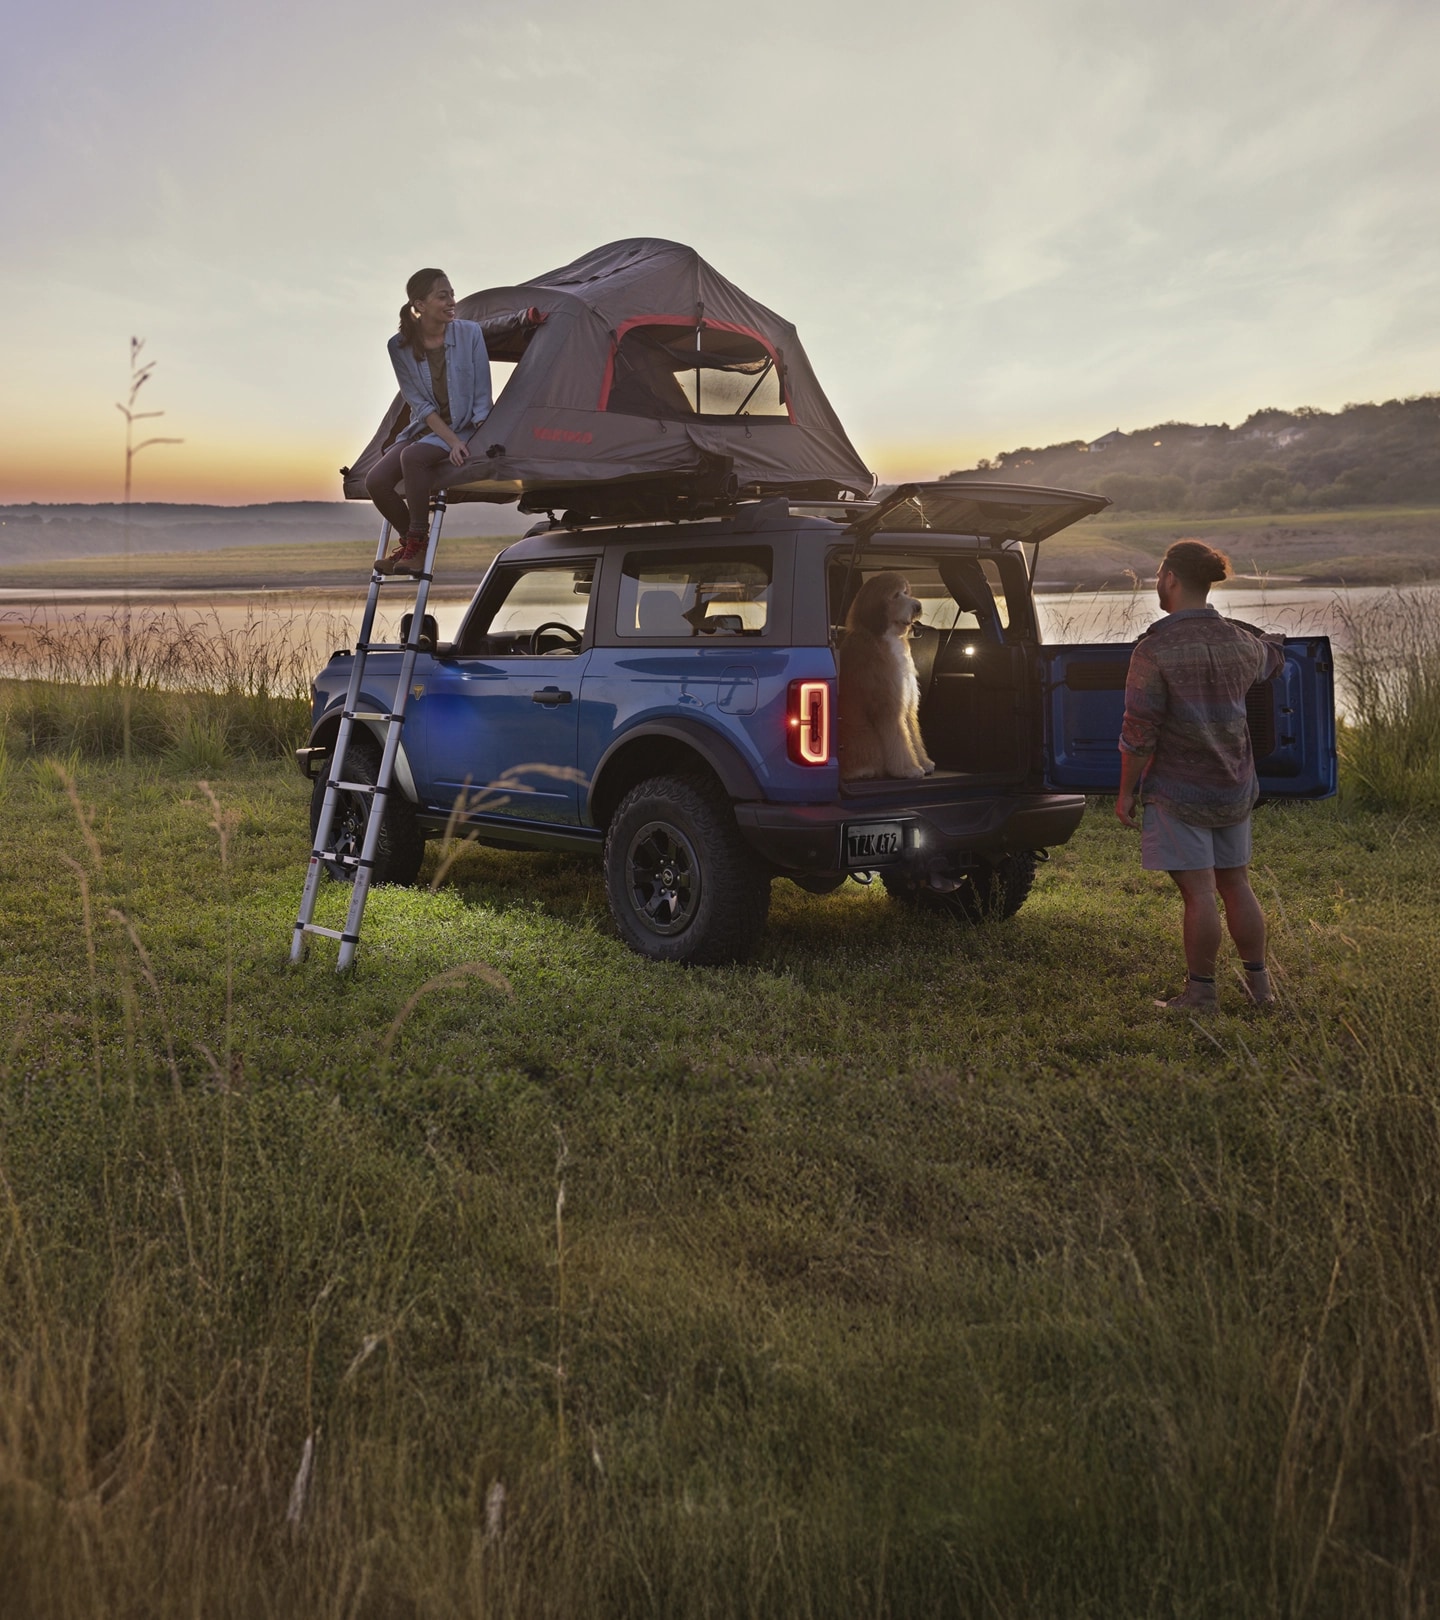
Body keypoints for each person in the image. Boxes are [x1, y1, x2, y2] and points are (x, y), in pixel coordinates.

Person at [1116, 540, 1285, 1013]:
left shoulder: (1154, 649)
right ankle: (1262, 991)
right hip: (1234, 786)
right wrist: (1267, 641)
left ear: (1170, 578)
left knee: (1198, 892)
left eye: (1158, 576)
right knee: (1237, 883)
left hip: (1178, 792)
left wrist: (1125, 793)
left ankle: (1201, 994)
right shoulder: (1239, 641)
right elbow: (1276, 661)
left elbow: (1139, 732)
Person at [365, 268, 493, 575]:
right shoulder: (399, 346)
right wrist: (449, 441)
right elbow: (419, 404)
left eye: (451, 293)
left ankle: (414, 545)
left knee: (413, 457)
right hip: (427, 426)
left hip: (464, 426)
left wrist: (475, 436)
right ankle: (415, 546)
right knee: (376, 482)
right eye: (442, 295)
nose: (451, 301)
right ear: (419, 304)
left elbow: (481, 392)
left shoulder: (469, 333)